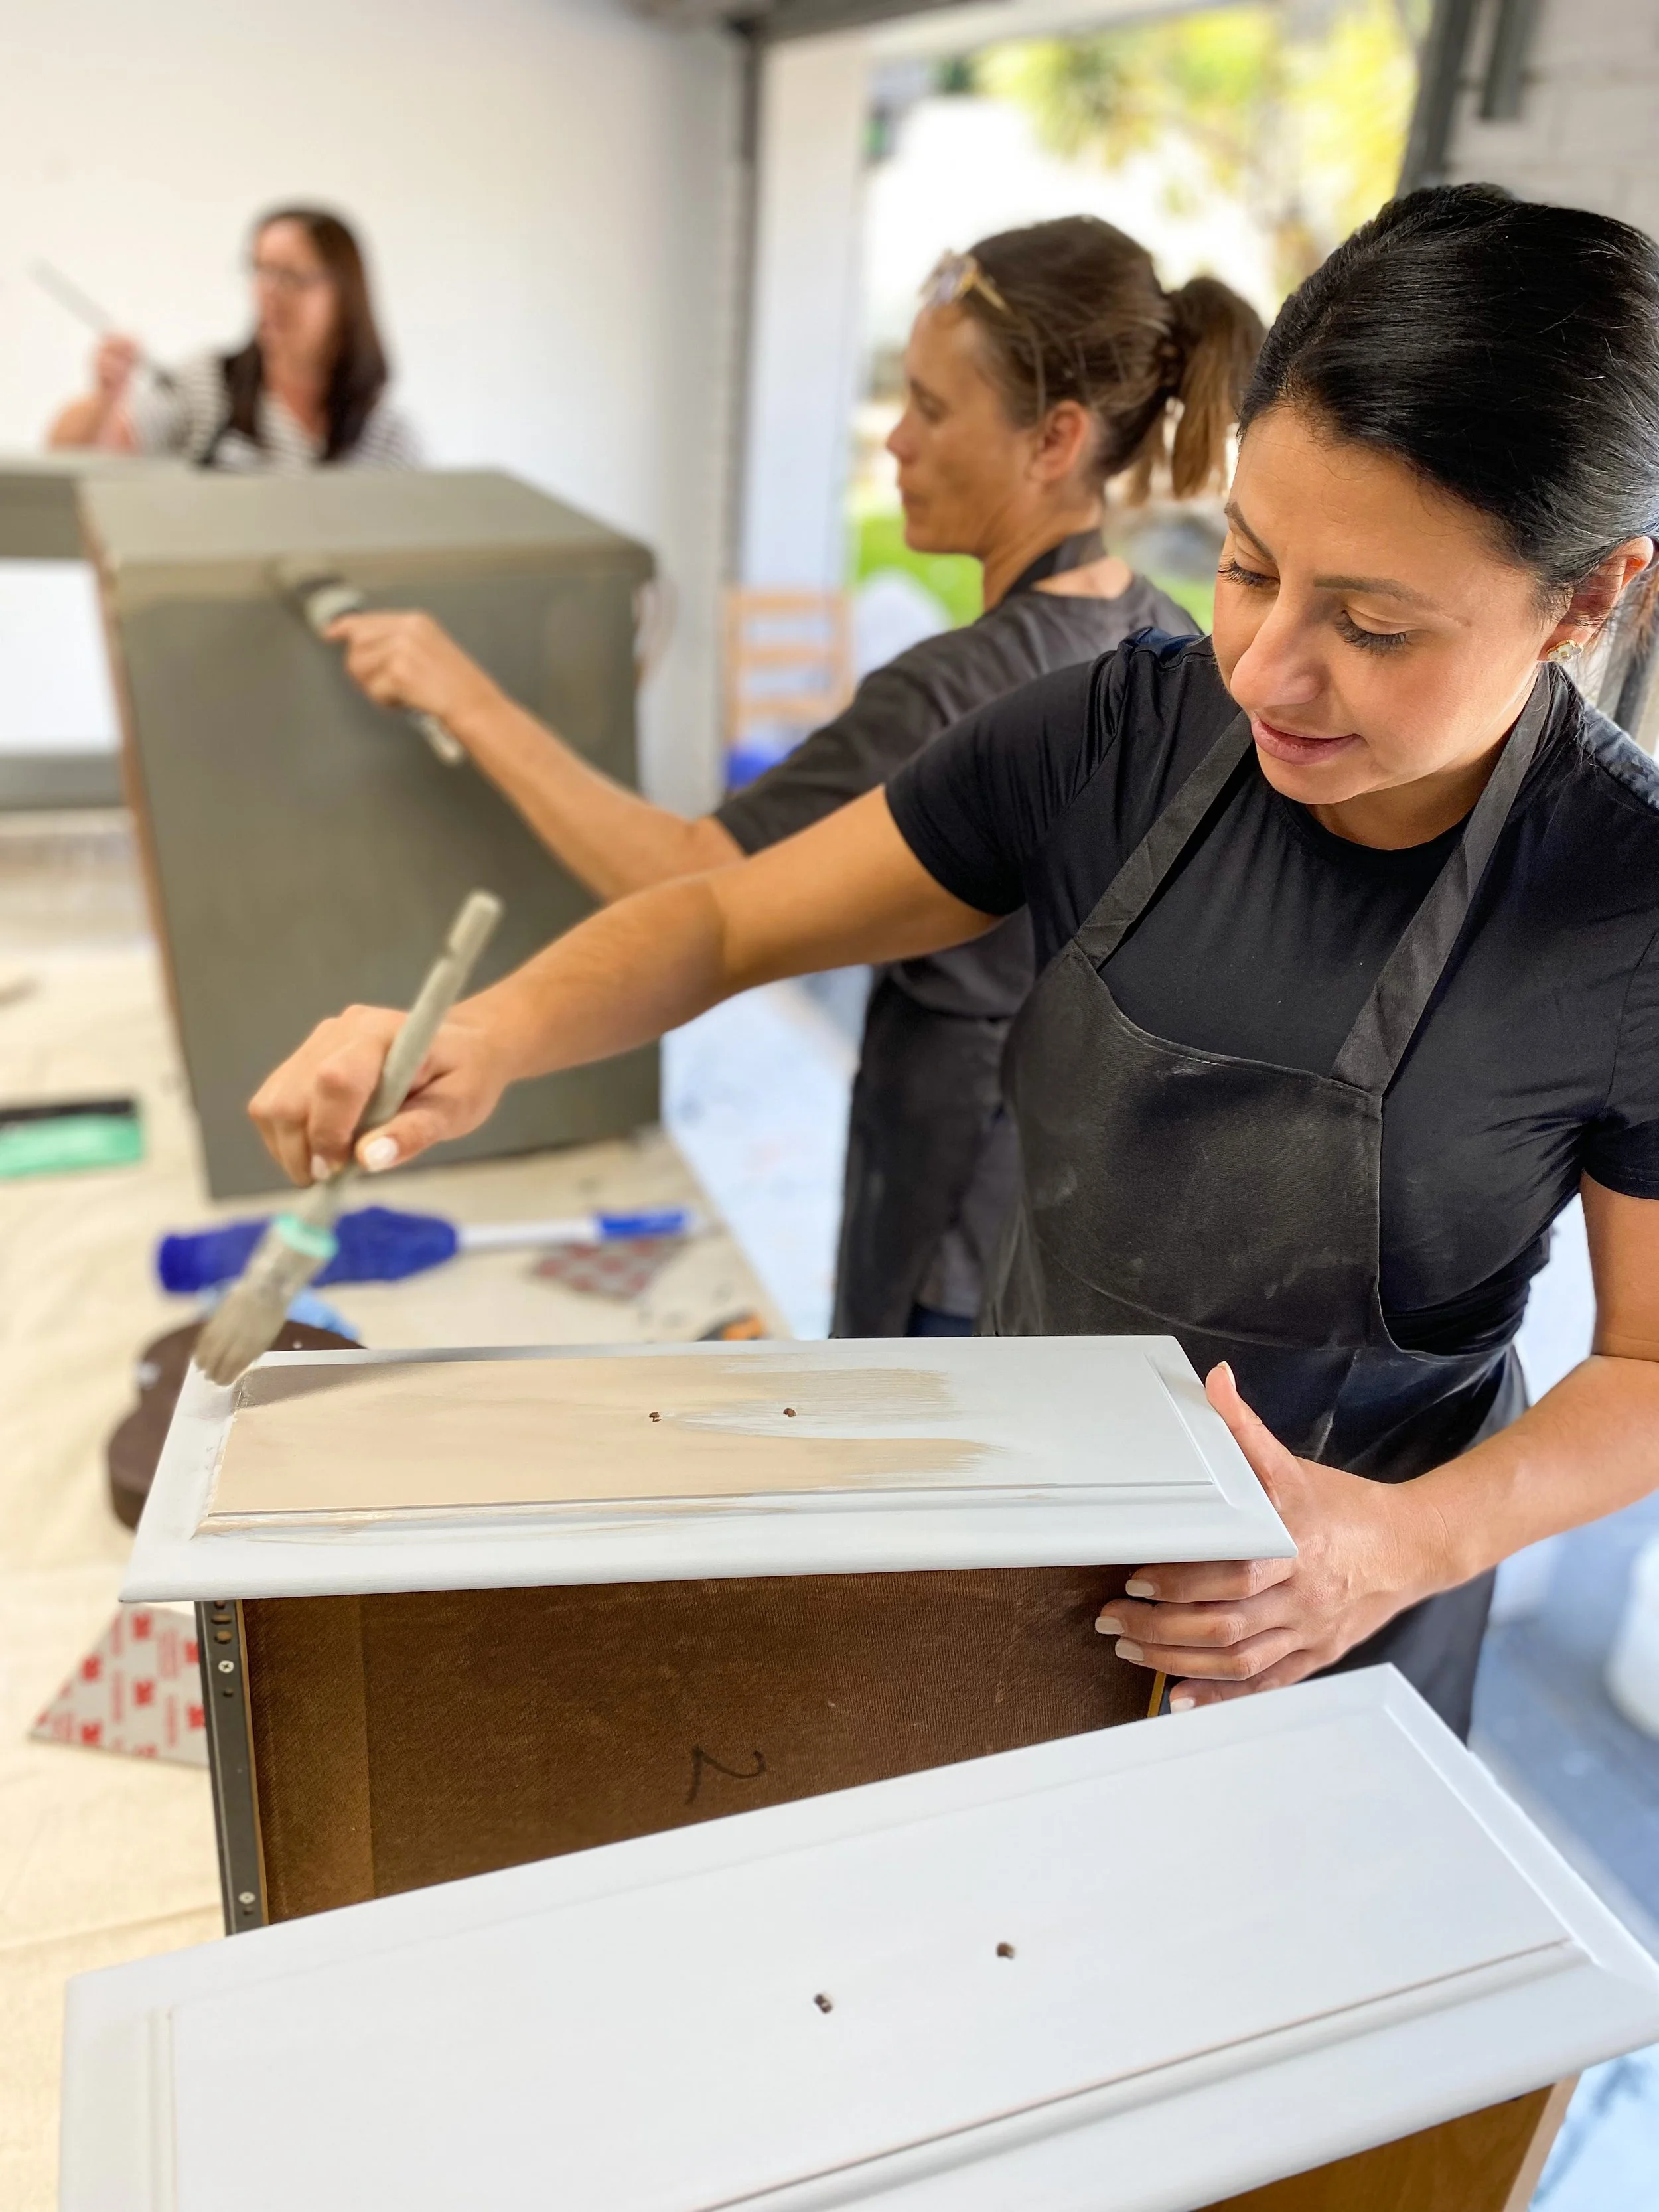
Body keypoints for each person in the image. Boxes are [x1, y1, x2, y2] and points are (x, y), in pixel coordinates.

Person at [246, 184, 1659, 1741]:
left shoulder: (1625, 907)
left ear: (1589, 598)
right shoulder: (1111, 741)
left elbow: (1647, 1359)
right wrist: (489, 1034)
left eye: (1372, 624)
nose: (1265, 667)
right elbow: (724, 914)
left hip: (1334, 1629)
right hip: (1019, 1529)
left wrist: (1402, 1543)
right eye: (1249, 566)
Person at [317, 218, 1261, 1335]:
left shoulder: (954, 690)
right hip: (1067, 1220)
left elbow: (685, 886)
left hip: (946, 1221)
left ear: (1055, 439)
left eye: (933, 408)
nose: (896, 443)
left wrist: (461, 695)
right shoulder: (1157, 637)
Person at [48, 207, 419, 471]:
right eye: (260, 270)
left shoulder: (388, 435)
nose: (268, 293)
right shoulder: (208, 384)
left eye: (290, 276)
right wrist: (105, 398)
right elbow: (70, 459)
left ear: (343, 293)